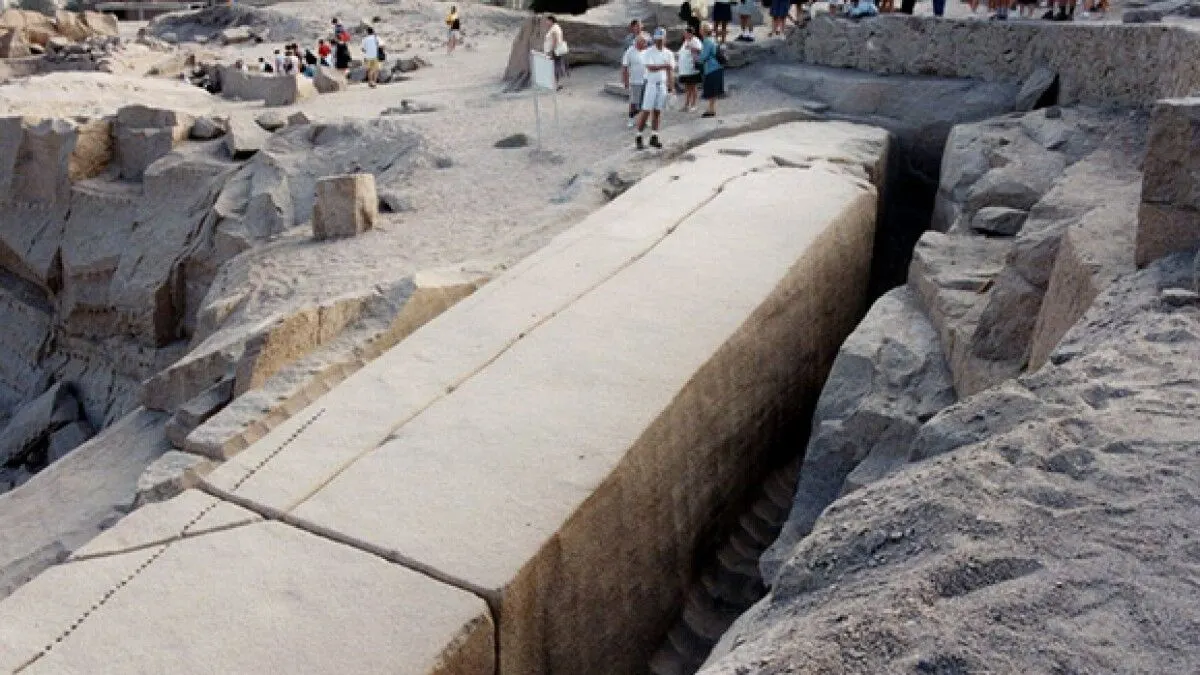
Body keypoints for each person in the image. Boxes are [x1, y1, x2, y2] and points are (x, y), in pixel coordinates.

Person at [633, 28, 673, 150]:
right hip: (650, 83)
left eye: (661, 39)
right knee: (646, 110)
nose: (659, 42)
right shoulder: (648, 52)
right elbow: (650, 67)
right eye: (657, 40)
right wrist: (664, 66)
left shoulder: (669, 53)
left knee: (658, 111)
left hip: (662, 84)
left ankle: (654, 136)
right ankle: (639, 136)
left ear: (664, 39)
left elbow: (670, 71)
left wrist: (671, 87)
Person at [621, 32, 648, 128]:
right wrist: (625, 81)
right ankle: (631, 119)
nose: (645, 44)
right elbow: (625, 67)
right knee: (633, 101)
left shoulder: (646, 51)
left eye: (645, 42)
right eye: (643, 42)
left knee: (645, 101)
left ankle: (644, 119)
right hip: (635, 81)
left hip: (646, 80)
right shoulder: (629, 51)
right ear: (638, 42)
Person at [697, 22, 723, 118]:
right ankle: (711, 109)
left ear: (703, 31)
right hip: (717, 67)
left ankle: (711, 110)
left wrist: (696, 57)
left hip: (712, 68)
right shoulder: (712, 40)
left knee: (711, 89)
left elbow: (703, 56)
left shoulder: (707, 41)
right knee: (713, 90)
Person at [677, 26, 702, 112]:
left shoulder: (695, 41)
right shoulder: (685, 42)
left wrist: (691, 48)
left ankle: (694, 104)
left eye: (686, 33)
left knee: (693, 87)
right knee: (687, 88)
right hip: (685, 70)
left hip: (692, 69)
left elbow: (700, 50)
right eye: (684, 33)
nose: (684, 34)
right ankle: (686, 104)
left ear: (690, 33)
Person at [543, 15, 567, 83]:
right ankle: (557, 82)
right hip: (557, 50)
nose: (546, 22)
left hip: (554, 50)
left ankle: (556, 83)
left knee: (555, 66)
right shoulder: (556, 27)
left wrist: (552, 50)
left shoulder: (554, 28)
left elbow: (555, 40)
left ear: (551, 21)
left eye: (547, 21)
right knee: (557, 65)